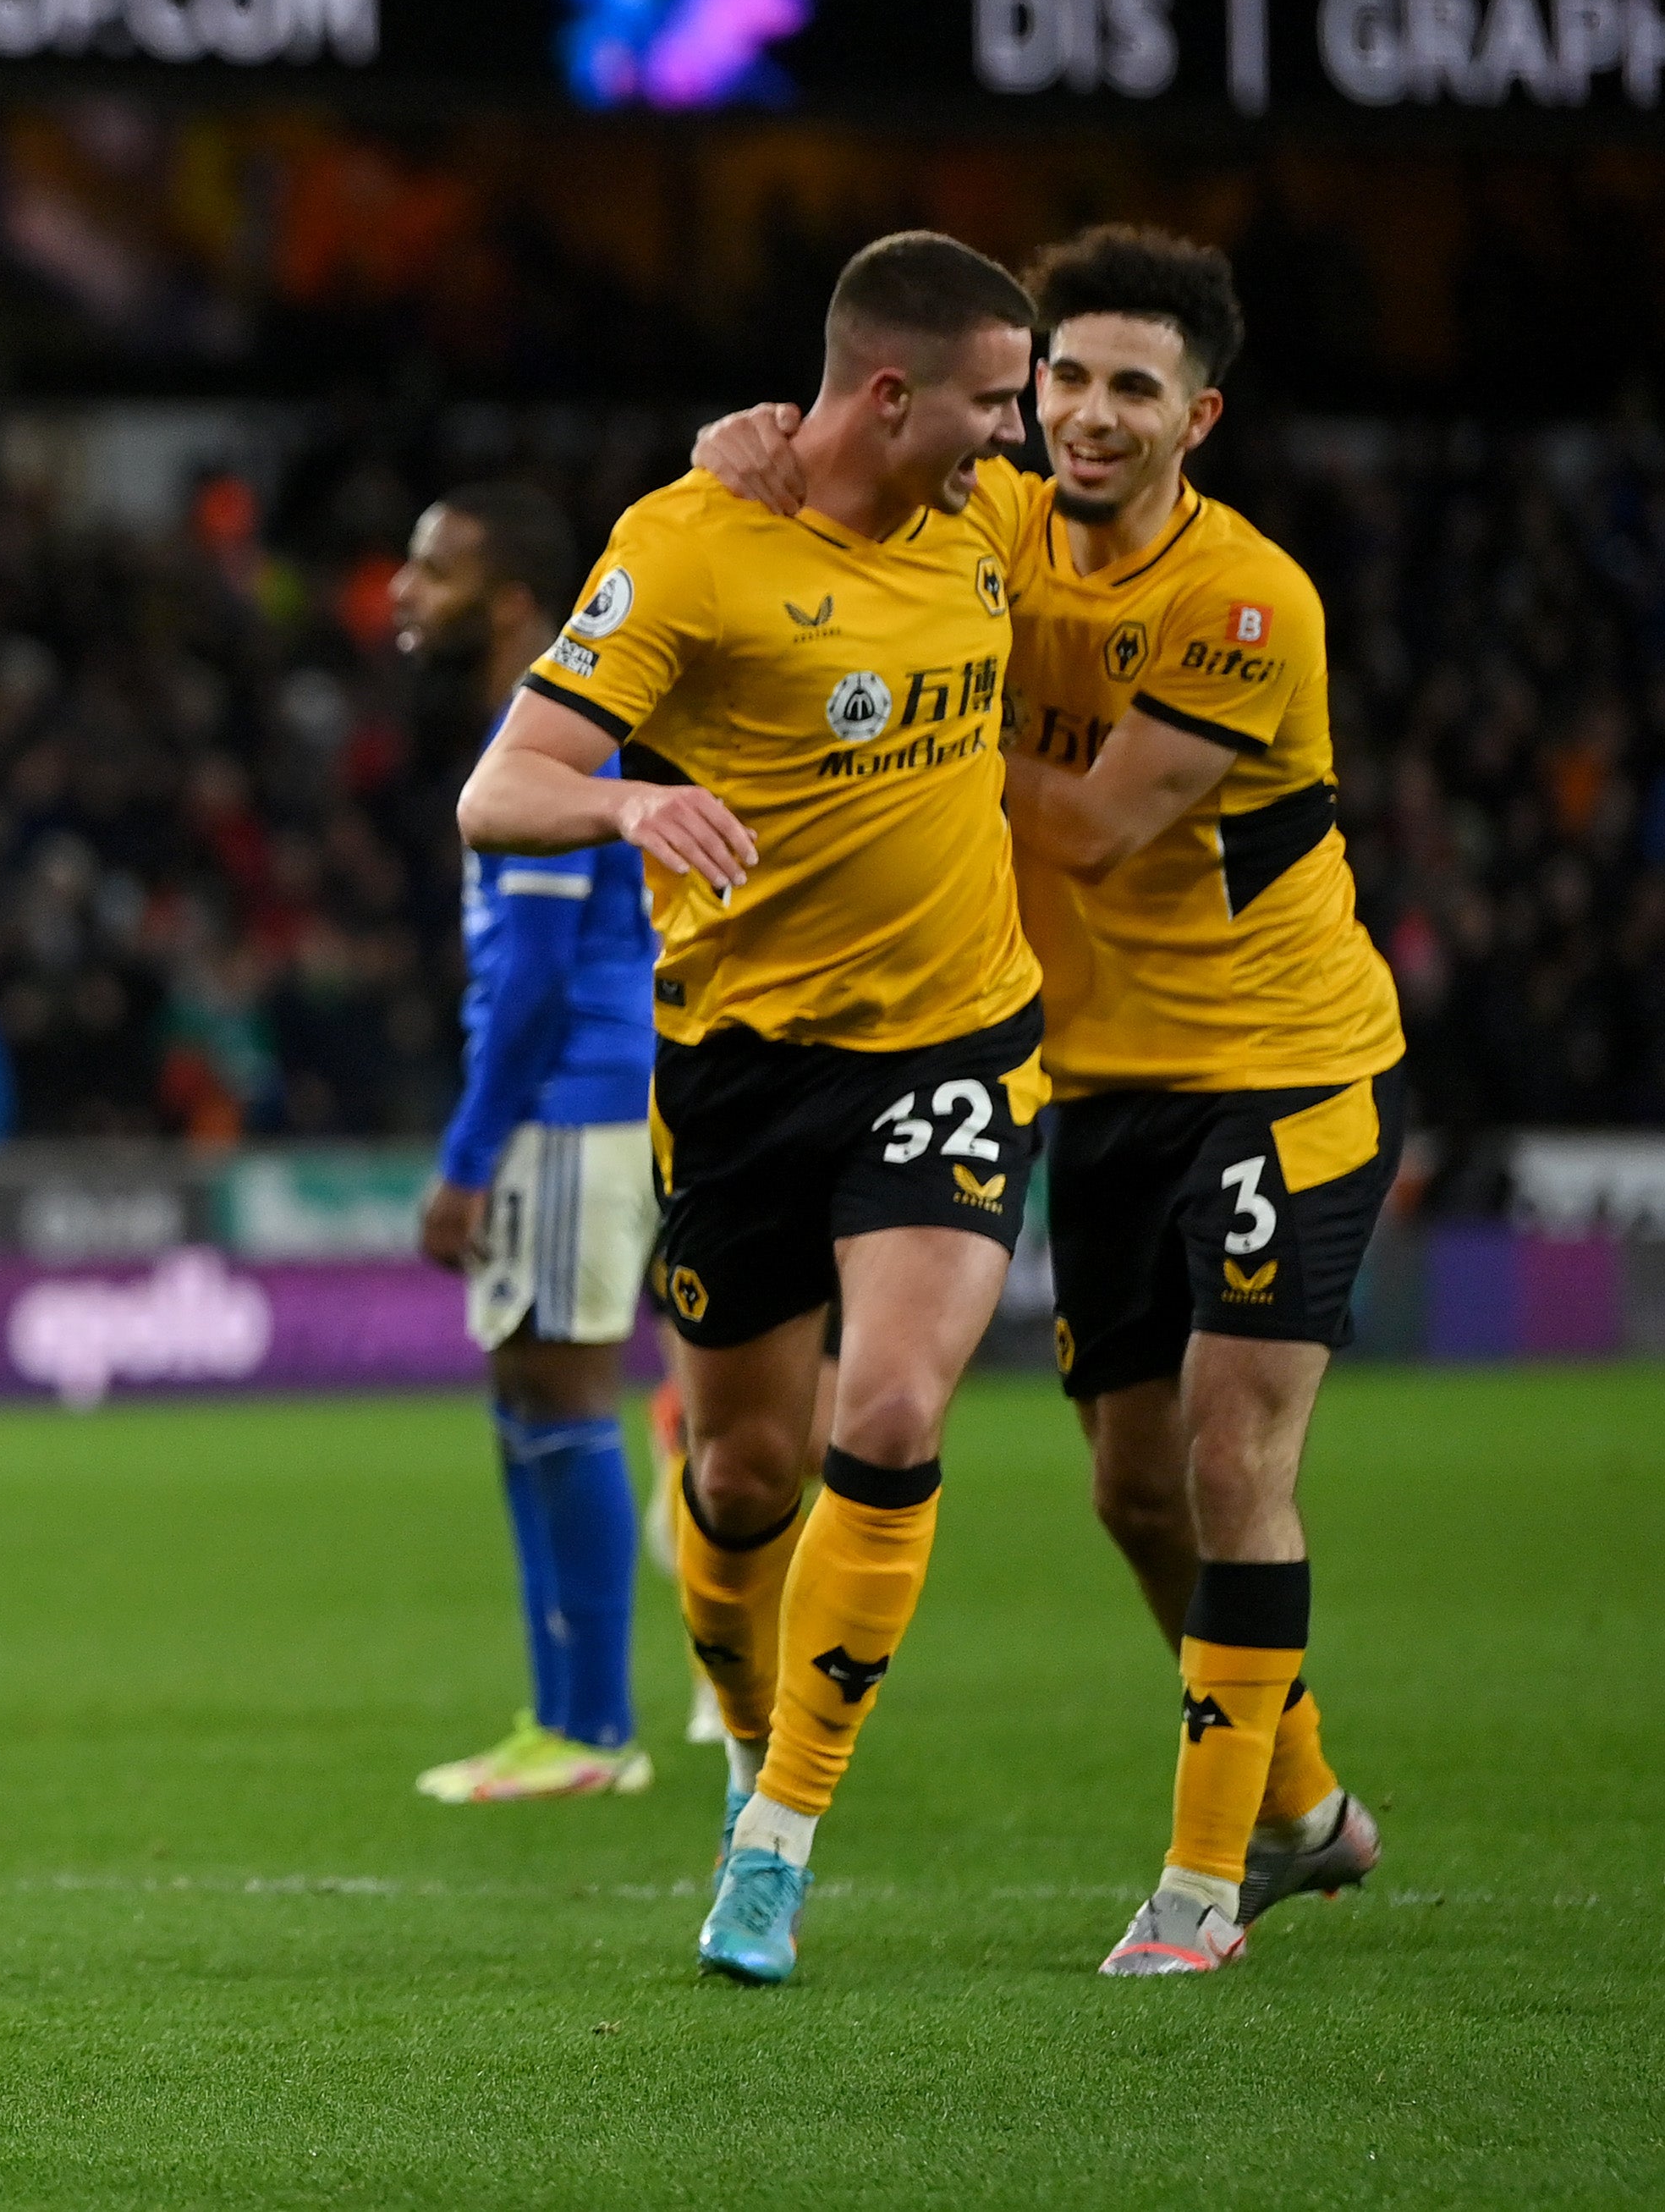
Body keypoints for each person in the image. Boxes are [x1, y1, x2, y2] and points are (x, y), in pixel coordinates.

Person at [692, 225, 1400, 1976]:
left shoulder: (1244, 602)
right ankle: (1304, 1804)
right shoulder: (992, 518)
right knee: (1128, 1491)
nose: (1080, 417)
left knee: (1233, 1457)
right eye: (1062, 379)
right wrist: (742, 451)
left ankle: (1197, 1882)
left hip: (1274, 1066)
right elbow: (823, 502)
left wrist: (871, 733)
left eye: (1127, 391)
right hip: (1091, 1081)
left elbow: (1077, 828)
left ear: (1196, 417)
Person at [458, 232, 1040, 1986]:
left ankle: (780, 1832)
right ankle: (736, 1740)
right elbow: (502, 789)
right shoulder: (691, 544)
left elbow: (1135, 466)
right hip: (737, 1069)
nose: (1022, 434)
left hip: (953, 1042)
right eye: (995, 399)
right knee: (738, 1477)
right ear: (888, 393)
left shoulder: (995, 524)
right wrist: (628, 808)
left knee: (889, 1398)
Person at [393, 485, 657, 1805]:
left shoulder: (555, 745)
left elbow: (542, 977)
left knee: (563, 1401)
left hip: (570, 1105)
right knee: (527, 1404)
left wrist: (467, 1152)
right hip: (565, 1107)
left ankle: (596, 1726)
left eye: (430, 573)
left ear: (507, 602)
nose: (400, 593)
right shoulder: (529, 733)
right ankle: (563, 1713)